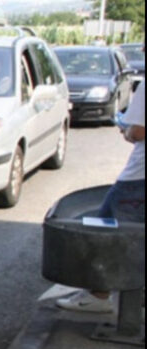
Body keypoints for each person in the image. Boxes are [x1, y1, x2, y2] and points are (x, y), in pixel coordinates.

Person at [56, 77, 145, 313]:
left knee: (109, 234)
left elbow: (139, 130)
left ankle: (100, 294)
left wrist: (127, 130)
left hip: (139, 177)